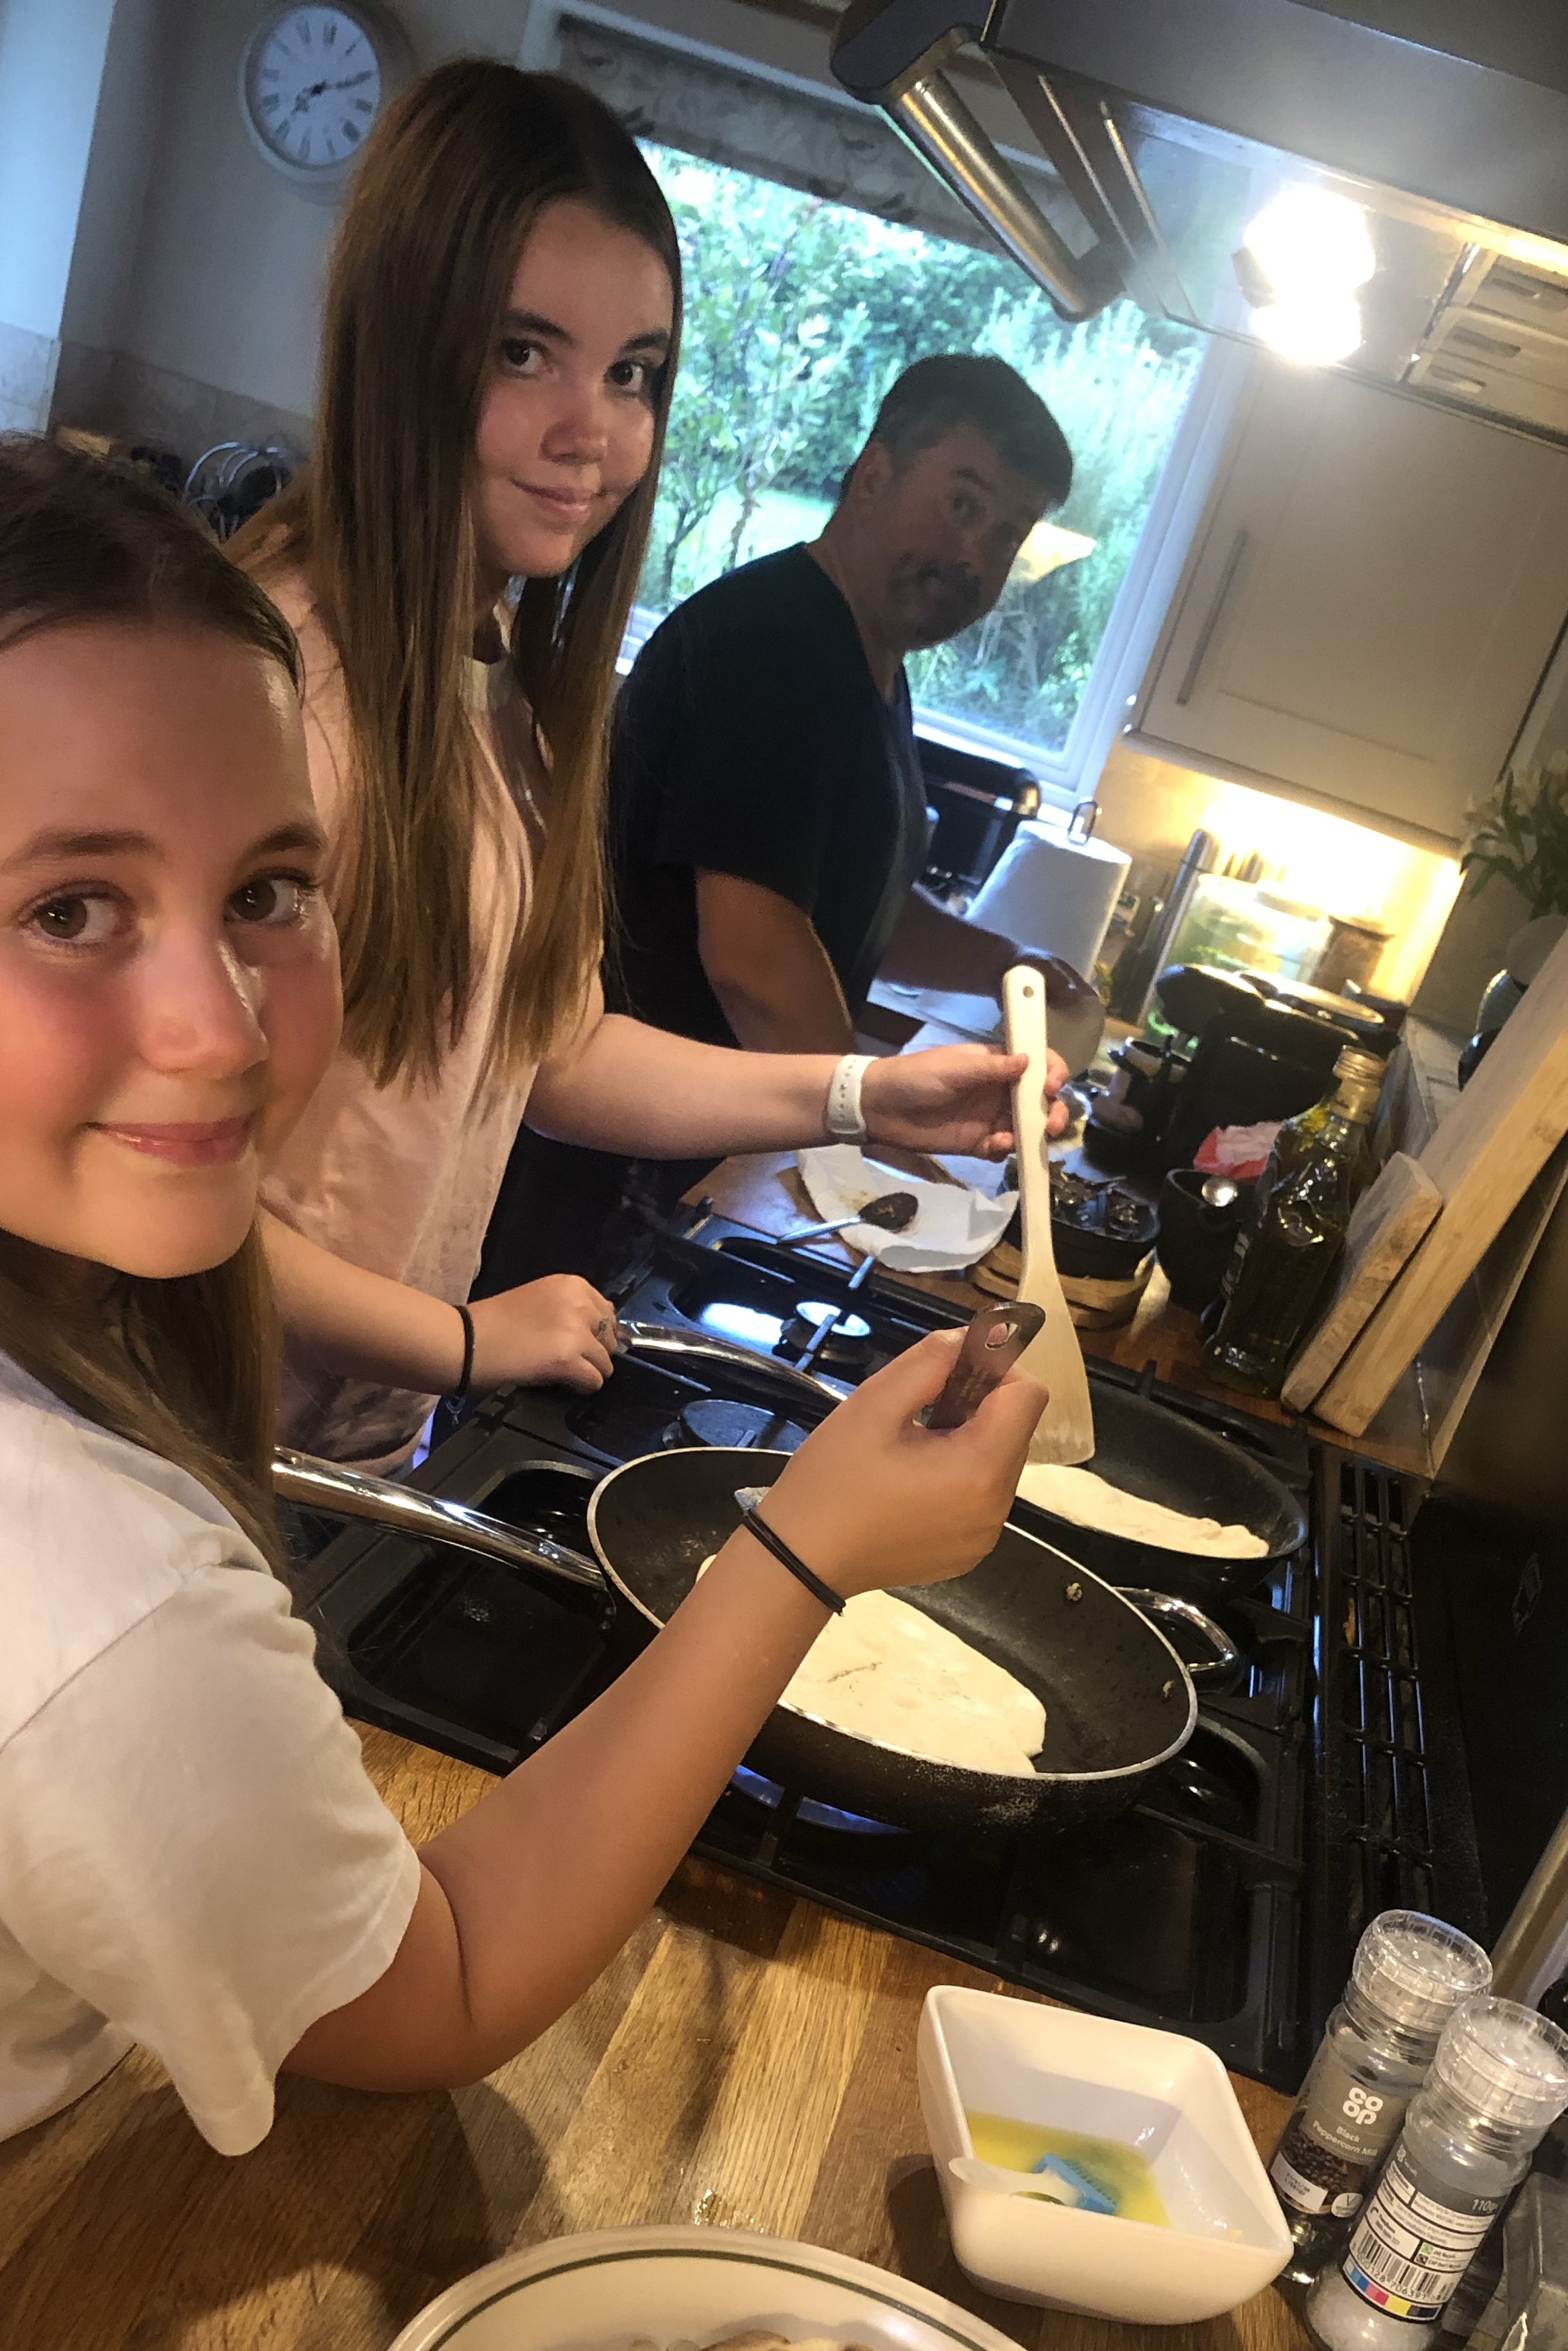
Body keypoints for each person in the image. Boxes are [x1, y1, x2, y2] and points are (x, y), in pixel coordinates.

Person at [0, 428, 1044, 2351]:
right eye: (72, 906)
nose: (221, 1021)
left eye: (268, 888)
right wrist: (805, 1551)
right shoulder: (63, 1594)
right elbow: (436, 1987)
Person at [231, 65, 1071, 1473]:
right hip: (194, 1438)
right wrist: (461, 1341)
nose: (596, 432)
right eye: (523, 352)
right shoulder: (271, 690)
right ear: (403, 343)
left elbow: (553, 1050)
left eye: (632, 373)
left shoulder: (498, 683)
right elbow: (143, 1187)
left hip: (336, 1448)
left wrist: (867, 1096)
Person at [478, 353, 1097, 1292]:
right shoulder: (775, 649)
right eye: (962, 504)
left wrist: (1005, 966)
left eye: (1007, 533)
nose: (975, 555)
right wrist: (879, 1132)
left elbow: (849, 898)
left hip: (690, 1156)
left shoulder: (864, 660)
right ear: (873, 472)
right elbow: (755, 955)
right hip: (613, 1172)